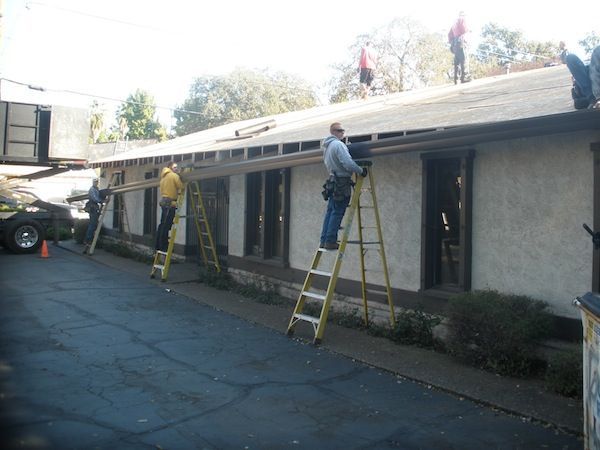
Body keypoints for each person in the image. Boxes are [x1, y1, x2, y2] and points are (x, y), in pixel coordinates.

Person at [319, 123, 367, 250]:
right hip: (341, 181)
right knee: (338, 211)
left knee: (331, 211)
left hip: (333, 180)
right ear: (333, 132)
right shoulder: (338, 145)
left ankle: (324, 240)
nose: (342, 133)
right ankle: (330, 241)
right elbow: (348, 163)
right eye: (340, 131)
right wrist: (360, 170)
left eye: (343, 131)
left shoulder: (327, 147)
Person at [155, 161, 183, 252]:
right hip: (170, 203)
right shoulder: (174, 176)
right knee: (166, 225)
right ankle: (163, 246)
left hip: (164, 201)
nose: (176, 169)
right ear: (170, 168)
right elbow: (181, 186)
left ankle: (158, 245)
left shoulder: (163, 177)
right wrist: (179, 176)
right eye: (175, 167)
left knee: (162, 224)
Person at [448, 11, 471, 84]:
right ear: (463, 15)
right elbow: (465, 29)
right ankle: (464, 77)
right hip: (460, 41)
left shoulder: (454, 23)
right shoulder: (462, 19)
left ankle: (456, 78)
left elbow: (449, 35)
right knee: (463, 59)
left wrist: (452, 43)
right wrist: (469, 31)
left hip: (455, 43)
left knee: (457, 61)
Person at [83, 178, 105, 248]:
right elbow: (95, 198)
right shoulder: (92, 190)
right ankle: (87, 239)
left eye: (97, 182)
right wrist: (102, 201)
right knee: (92, 224)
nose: (96, 183)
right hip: (93, 208)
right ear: (93, 182)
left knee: (94, 224)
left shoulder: (96, 189)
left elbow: (98, 196)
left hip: (95, 207)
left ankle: (90, 239)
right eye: (95, 182)